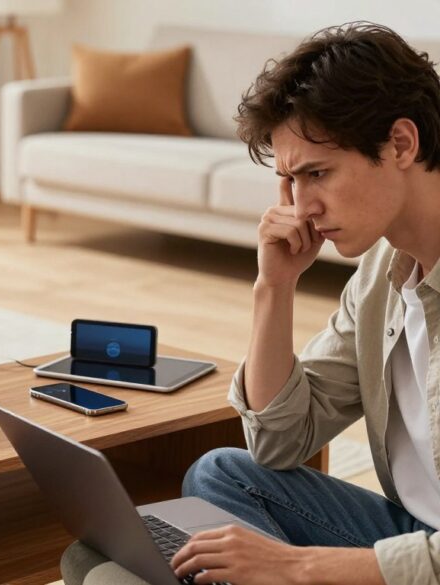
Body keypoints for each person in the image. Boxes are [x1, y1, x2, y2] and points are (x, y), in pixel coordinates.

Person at [169, 21, 440, 585]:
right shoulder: (379, 279)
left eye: (317, 173)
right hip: (412, 537)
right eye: (289, 181)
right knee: (222, 474)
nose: (301, 207)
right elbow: (279, 441)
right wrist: (275, 286)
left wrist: (297, 567)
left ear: (401, 144)